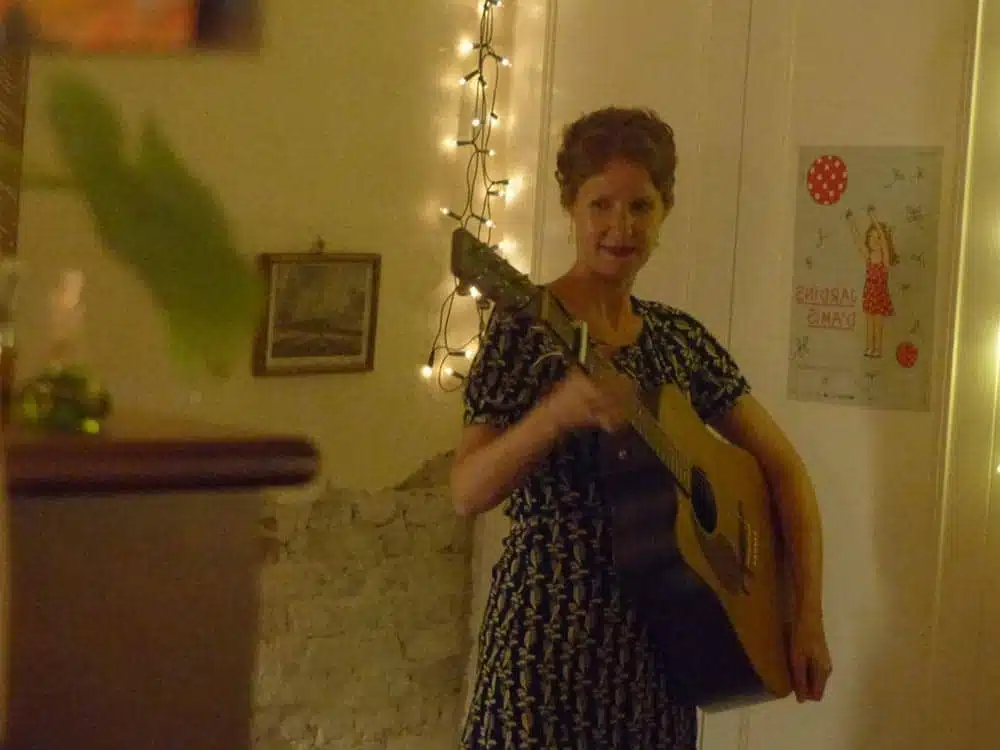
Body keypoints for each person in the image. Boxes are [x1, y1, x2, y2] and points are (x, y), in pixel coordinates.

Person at [451, 106, 831, 749]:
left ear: (664, 212)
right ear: (571, 208)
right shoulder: (523, 330)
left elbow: (786, 471)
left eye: (640, 207)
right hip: (545, 657)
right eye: (600, 205)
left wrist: (806, 614)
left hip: (665, 659)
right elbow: (466, 492)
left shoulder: (680, 339)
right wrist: (553, 417)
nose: (620, 226)